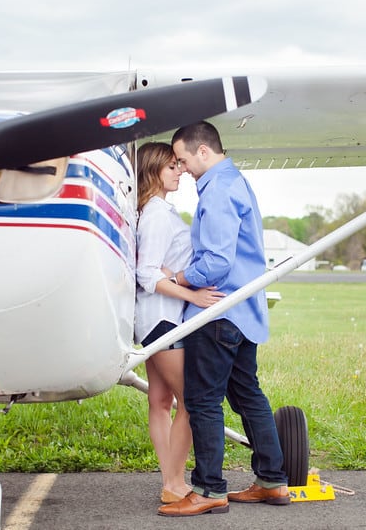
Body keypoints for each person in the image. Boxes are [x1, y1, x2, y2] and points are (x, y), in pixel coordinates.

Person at [158, 121, 289, 517]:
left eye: (183, 160)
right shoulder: (237, 182)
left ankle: (209, 488)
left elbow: (215, 262)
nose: (183, 169)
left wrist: (176, 278)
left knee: (202, 400)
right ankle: (271, 480)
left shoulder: (216, 191)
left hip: (218, 310)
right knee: (248, 395)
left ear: (203, 151)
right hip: (244, 311)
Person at [134, 142, 225, 505]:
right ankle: (173, 482)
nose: (179, 171)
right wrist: (194, 296)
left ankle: (171, 479)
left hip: (151, 319)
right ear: (154, 170)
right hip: (164, 319)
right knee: (191, 400)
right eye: (172, 166)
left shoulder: (154, 211)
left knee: (160, 400)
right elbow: (146, 274)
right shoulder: (156, 215)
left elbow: (155, 267)